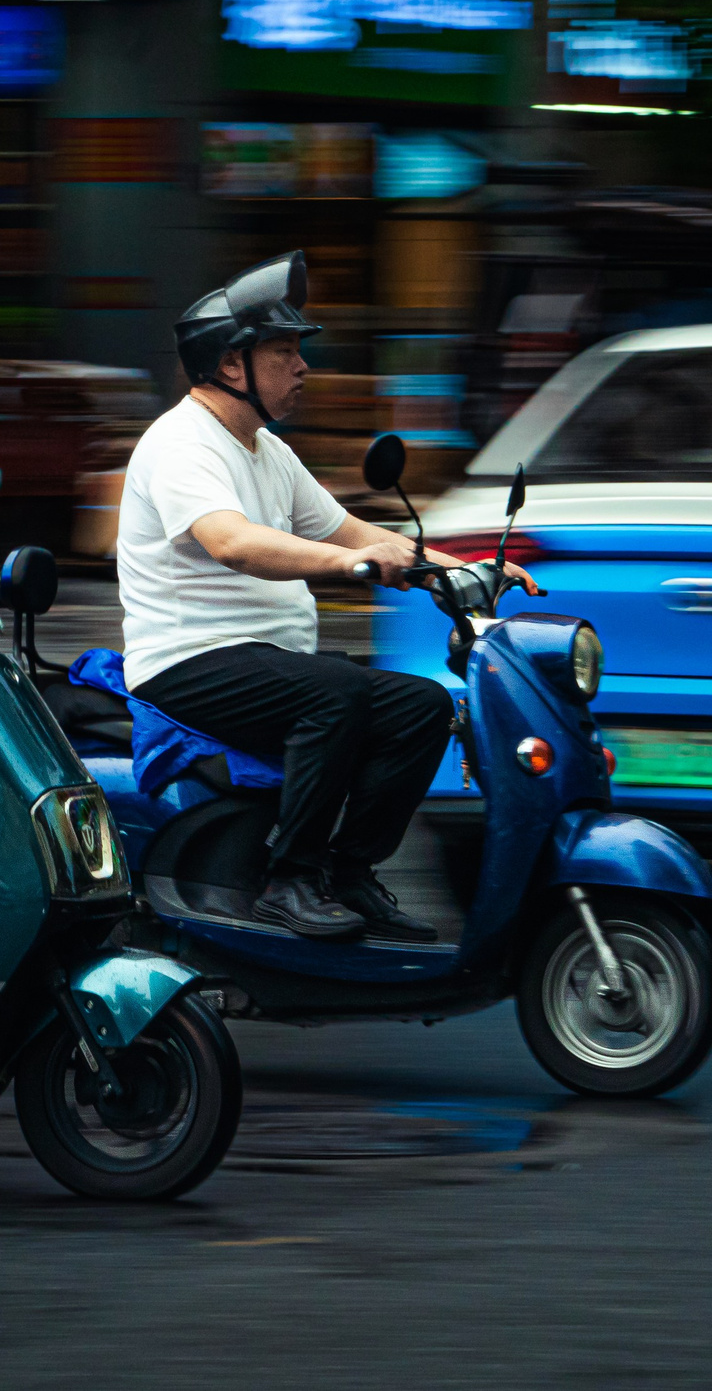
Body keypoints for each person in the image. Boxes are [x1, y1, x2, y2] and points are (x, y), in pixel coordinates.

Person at [120, 253, 541, 941]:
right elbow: (232, 541)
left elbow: (351, 528)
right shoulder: (180, 445)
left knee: (424, 706)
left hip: (265, 661)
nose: (302, 366)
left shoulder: (266, 449)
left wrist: (456, 568)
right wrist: (352, 564)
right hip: (189, 662)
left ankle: (349, 871)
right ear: (232, 365)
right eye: (284, 351)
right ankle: (288, 878)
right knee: (335, 691)